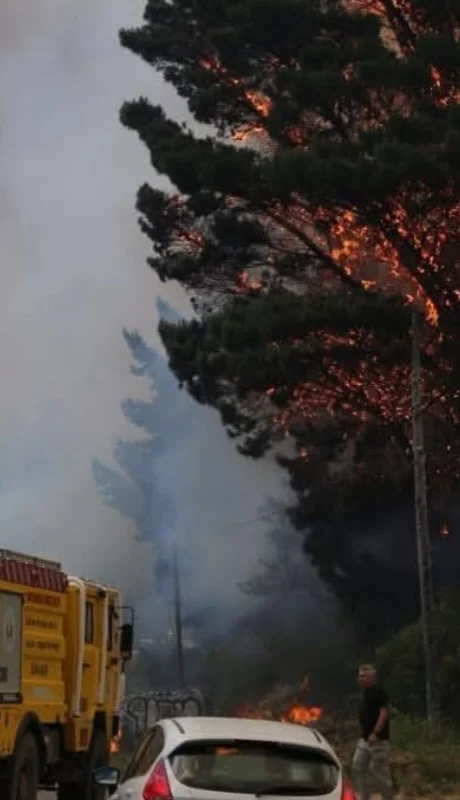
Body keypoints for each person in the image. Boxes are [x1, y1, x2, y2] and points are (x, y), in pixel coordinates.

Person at [352, 664, 394, 800]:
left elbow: (384, 712)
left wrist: (376, 733)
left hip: (378, 740)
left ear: (372, 677)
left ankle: (388, 798)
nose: (360, 678)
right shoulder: (365, 693)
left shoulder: (379, 692)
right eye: (359, 676)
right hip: (364, 740)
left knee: (379, 771)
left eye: (363, 676)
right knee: (358, 766)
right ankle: (365, 797)